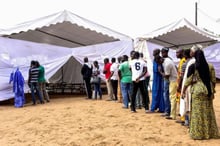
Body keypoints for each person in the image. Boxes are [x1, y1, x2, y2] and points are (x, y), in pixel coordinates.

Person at [182, 49, 220, 140]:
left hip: (197, 91)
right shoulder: (210, 66)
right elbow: (213, 80)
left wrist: (183, 90)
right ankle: (210, 133)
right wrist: (212, 90)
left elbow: (188, 81)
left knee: (197, 113)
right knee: (208, 112)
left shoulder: (193, 66)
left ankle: (198, 133)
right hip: (207, 90)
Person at [157, 48, 178, 120]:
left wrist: (160, 72)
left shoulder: (167, 64)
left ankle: (172, 114)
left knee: (172, 97)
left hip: (173, 80)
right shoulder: (167, 60)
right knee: (170, 96)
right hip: (172, 80)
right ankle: (170, 112)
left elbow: (166, 76)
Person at [175, 48, 186, 123]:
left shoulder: (183, 61)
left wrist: (179, 86)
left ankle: (184, 119)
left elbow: (182, 75)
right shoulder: (181, 61)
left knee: (182, 101)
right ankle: (182, 116)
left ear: (182, 53)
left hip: (181, 84)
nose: (176, 54)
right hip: (179, 83)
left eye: (177, 53)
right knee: (179, 101)